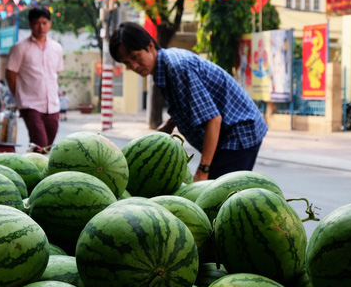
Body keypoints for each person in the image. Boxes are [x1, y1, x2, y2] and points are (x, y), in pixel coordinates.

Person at [110, 22, 268, 182]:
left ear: (150, 46)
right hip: (228, 135)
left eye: (135, 57)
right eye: (127, 63)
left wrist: (203, 169)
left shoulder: (177, 68)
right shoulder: (163, 68)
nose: (134, 66)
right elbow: (190, 103)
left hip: (240, 132)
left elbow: (213, 119)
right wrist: (169, 126)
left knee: (216, 198)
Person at [5, 7, 64, 147]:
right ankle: (34, 167)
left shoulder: (57, 48)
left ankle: (36, 165)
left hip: (53, 106)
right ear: (31, 24)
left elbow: (56, 73)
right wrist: (19, 97)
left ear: (49, 24)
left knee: (47, 146)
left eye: (44, 22)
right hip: (30, 105)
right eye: (37, 23)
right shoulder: (20, 48)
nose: (41, 27)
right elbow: (10, 74)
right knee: (40, 144)